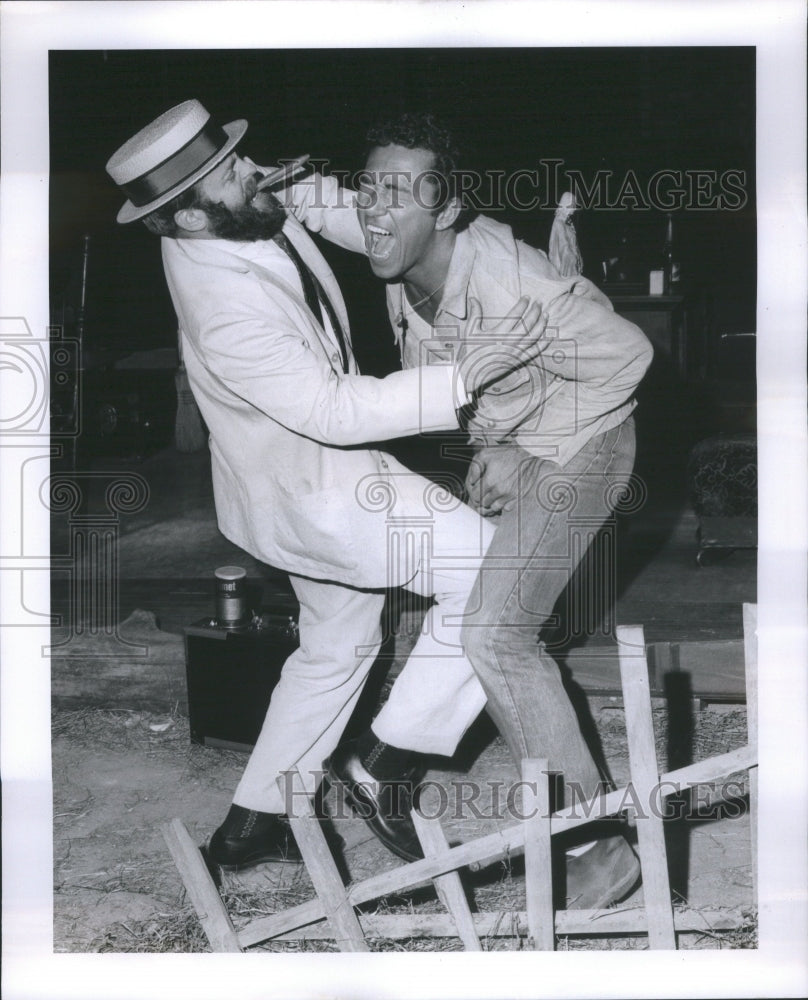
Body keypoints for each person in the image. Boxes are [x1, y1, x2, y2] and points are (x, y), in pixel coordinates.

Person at [105, 100, 548, 870]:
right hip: (325, 493)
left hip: (282, 487)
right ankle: (386, 762)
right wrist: (467, 376)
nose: (254, 170)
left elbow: (347, 221)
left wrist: (380, 216)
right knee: (499, 572)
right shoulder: (225, 311)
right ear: (189, 222)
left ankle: (256, 823)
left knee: (335, 647)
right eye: (234, 174)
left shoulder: (229, 211)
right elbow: (333, 410)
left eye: (235, 158)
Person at [286, 111, 654, 908]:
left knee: (496, 629)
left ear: (447, 212)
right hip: (525, 434)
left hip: (586, 438)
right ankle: (395, 759)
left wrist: (528, 452)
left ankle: (600, 848)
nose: (375, 210)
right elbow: (346, 212)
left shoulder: (503, 280)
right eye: (367, 190)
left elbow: (630, 355)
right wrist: (274, 184)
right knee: (485, 614)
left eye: (398, 194)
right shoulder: (399, 236)